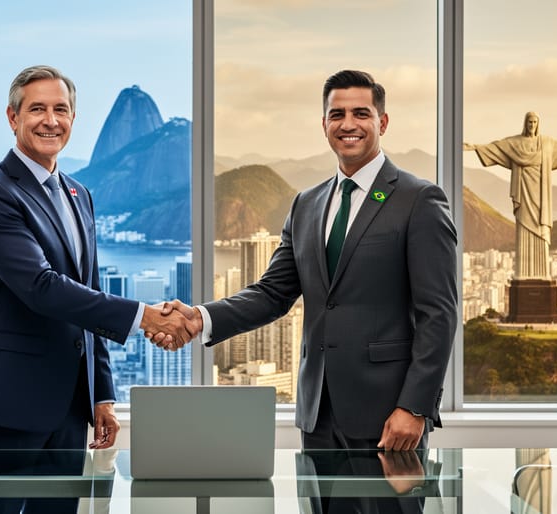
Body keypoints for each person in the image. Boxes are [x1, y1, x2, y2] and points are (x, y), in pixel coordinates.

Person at [161, 69, 457, 451]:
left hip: (389, 416)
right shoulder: (307, 204)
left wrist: (414, 406)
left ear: (382, 122)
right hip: (317, 415)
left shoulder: (419, 200)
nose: (348, 124)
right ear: (324, 125)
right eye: (337, 115)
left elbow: (439, 313)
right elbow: (272, 293)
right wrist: (199, 318)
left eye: (361, 114)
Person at [0, 65, 189, 513]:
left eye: (60, 109)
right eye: (37, 109)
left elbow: (88, 292)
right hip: (6, 406)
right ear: (13, 117)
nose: (51, 120)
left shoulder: (79, 194)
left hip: (68, 411)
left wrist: (101, 393)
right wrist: (144, 316)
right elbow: (41, 287)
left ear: (73, 118)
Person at [463, 112, 557, 279]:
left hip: (541, 194)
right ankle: (524, 273)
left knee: (540, 227)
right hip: (523, 192)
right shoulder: (515, 143)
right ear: (525, 123)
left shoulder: (547, 143)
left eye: (534, 122)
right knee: (524, 227)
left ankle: (541, 273)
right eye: (529, 122)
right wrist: (475, 147)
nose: (532, 125)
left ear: (538, 124)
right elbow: (496, 147)